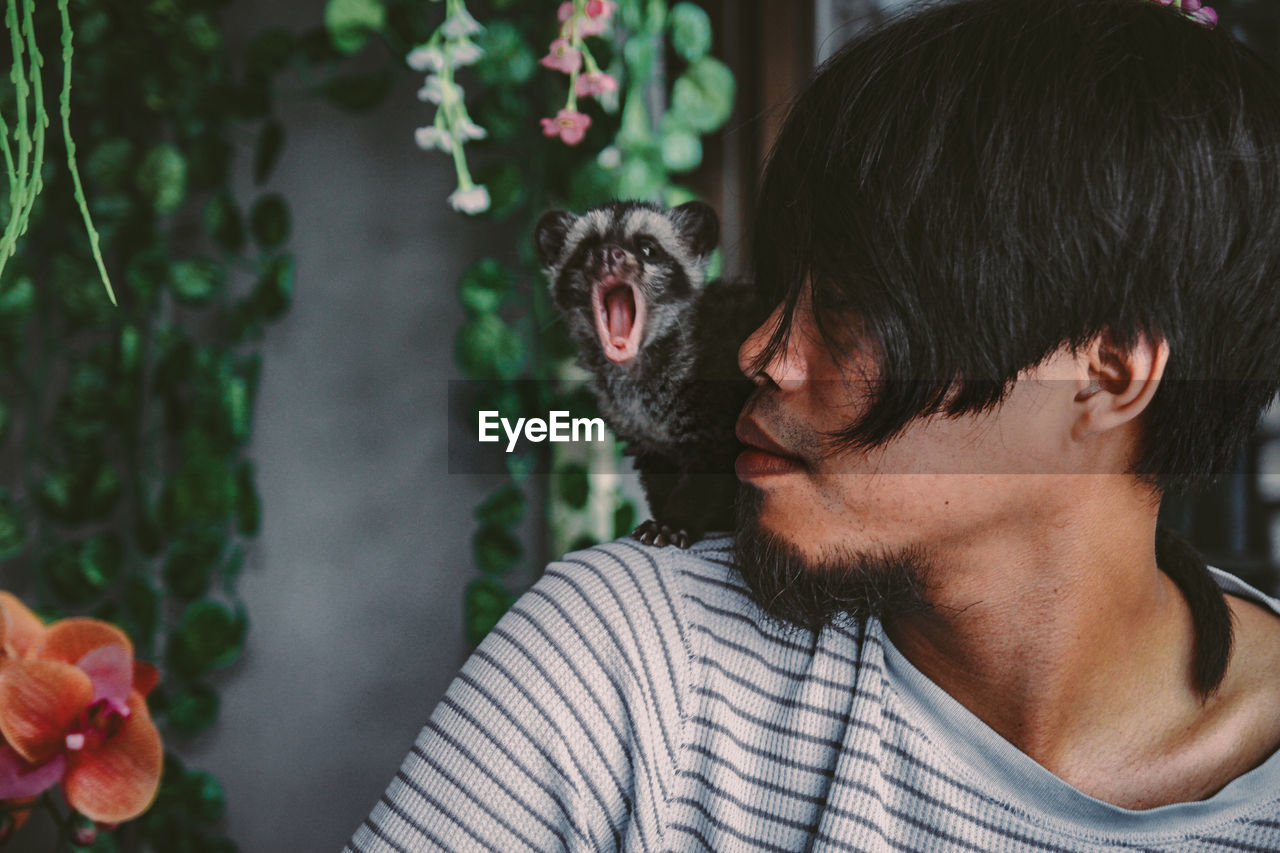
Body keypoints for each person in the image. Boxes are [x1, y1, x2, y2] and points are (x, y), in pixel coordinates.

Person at [346, 0, 1280, 849]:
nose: (762, 350)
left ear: (1106, 375)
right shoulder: (629, 659)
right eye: (787, 284)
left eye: (849, 304)